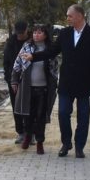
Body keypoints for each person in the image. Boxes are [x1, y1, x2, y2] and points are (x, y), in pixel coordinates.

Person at [25, 4, 90, 158]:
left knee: (83, 117)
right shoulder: (65, 33)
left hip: (85, 84)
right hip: (66, 83)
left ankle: (79, 147)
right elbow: (52, 51)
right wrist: (34, 57)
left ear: (80, 16)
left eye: (70, 16)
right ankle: (66, 143)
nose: (67, 18)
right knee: (62, 114)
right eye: (67, 16)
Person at [10, 24, 58, 154]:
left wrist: (54, 84)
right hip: (28, 87)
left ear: (45, 35)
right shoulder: (27, 47)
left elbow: (54, 69)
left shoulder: (49, 50)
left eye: (40, 32)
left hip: (44, 89)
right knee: (28, 115)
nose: (36, 35)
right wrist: (14, 80)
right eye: (35, 32)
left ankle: (40, 142)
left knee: (41, 116)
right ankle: (28, 136)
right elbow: (17, 64)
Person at [2, 20, 29, 143]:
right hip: (14, 80)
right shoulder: (11, 42)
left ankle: (30, 132)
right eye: (18, 33)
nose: (19, 36)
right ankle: (20, 132)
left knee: (30, 106)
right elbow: (6, 62)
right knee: (16, 107)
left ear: (26, 30)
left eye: (22, 33)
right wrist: (9, 78)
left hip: (30, 80)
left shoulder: (31, 41)